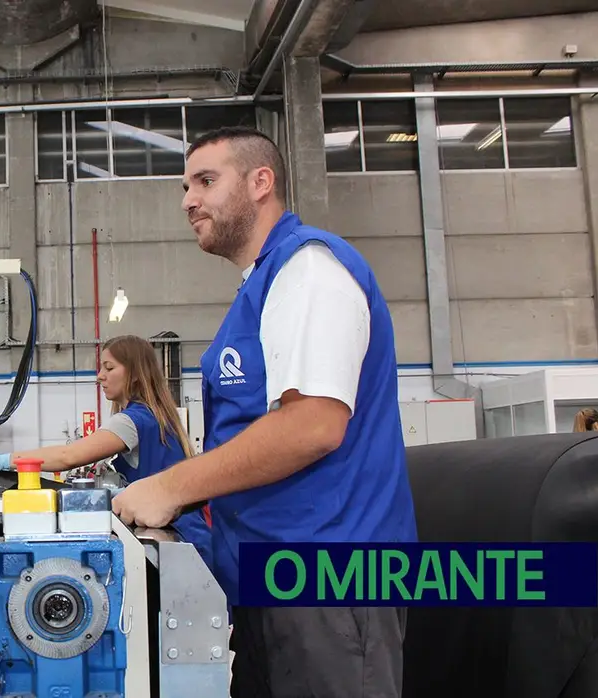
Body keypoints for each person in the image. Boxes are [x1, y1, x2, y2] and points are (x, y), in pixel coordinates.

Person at [110, 125, 418, 698]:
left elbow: (314, 424)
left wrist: (171, 486)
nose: (188, 201)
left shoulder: (308, 271)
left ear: (260, 182)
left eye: (205, 180)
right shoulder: (261, 290)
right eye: (184, 187)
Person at [0, 334, 213, 568]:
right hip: (189, 537)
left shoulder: (132, 420)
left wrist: (1, 460)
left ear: (135, 374)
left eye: (109, 367)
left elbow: (67, 457)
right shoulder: (157, 416)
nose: (100, 376)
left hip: (173, 543)